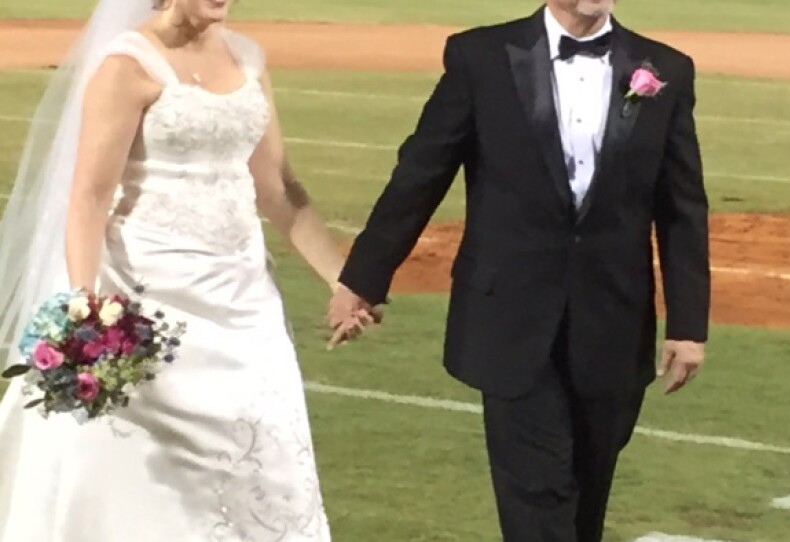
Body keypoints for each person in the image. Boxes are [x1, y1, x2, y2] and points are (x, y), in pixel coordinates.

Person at [329, 0, 710, 540]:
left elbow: (682, 207)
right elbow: (422, 171)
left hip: (613, 326)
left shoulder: (666, 69)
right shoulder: (480, 56)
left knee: (585, 502)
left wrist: (689, 325)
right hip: (509, 319)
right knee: (539, 500)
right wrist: (363, 279)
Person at [0, 0, 368, 539]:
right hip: (149, 297)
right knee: (140, 465)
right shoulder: (126, 66)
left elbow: (279, 189)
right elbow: (88, 198)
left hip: (245, 298)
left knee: (265, 442)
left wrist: (343, 278)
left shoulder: (247, 59)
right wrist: (88, 310)